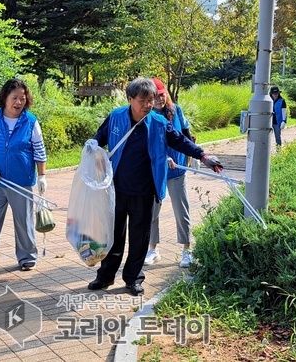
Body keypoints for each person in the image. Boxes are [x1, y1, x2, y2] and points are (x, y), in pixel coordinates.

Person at [87, 77, 223, 296]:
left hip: (145, 190)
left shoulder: (158, 123)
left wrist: (203, 155)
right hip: (115, 190)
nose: (148, 105)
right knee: (114, 236)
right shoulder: (115, 117)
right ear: (130, 99)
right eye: (142, 100)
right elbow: (98, 139)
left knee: (140, 238)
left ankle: (133, 278)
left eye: (151, 100)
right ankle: (105, 277)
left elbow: (180, 140)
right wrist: (92, 146)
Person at [0, 78, 47, 279]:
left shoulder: (30, 121)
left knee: (23, 221)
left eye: (22, 98)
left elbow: (39, 150)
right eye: (14, 98)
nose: (18, 102)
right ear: (5, 98)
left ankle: (27, 258)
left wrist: (42, 176)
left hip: (21, 182)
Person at [144, 78, 195, 268]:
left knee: (182, 211)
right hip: (157, 171)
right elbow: (148, 144)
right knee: (152, 212)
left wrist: (194, 155)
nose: (160, 99)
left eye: (162, 94)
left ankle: (187, 250)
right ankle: (153, 249)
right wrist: (163, 157)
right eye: (155, 96)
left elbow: (186, 135)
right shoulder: (147, 117)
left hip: (178, 171)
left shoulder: (176, 110)